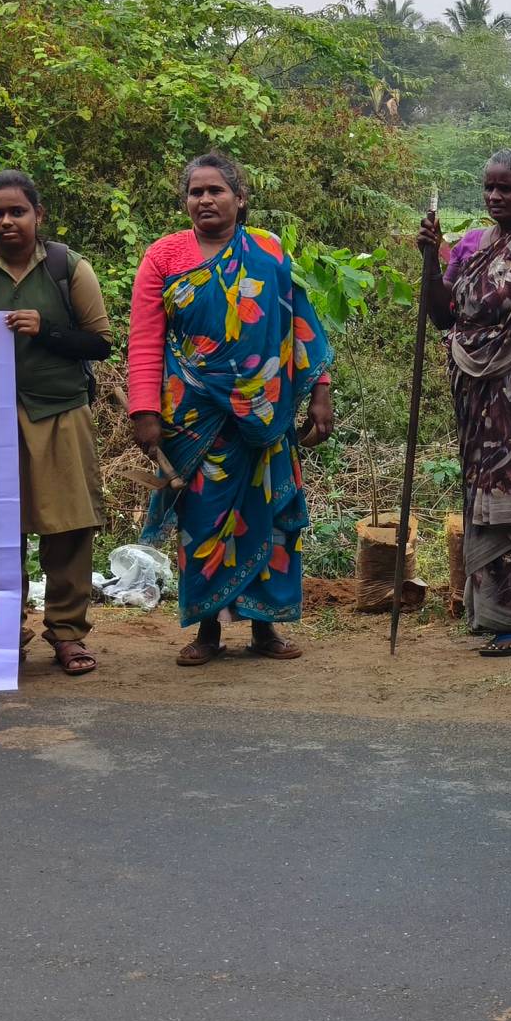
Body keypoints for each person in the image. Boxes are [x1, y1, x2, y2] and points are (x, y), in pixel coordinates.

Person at [129, 151, 334, 668]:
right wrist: (144, 410)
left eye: (215, 190)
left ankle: (267, 629)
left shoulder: (267, 249)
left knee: (269, 517)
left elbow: (298, 323)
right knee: (204, 520)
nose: (205, 200)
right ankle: (206, 629)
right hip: (194, 414)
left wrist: (321, 389)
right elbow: (147, 339)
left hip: (266, 413)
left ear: (240, 199)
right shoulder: (164, 257)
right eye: (195, 192)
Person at [0, 170, 112, 676]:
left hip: (60, 410)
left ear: (39, 215)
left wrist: (48, 331)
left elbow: (100, 342)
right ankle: (3, 633)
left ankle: (67, 634)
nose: (6, 222)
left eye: (17, 211)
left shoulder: (67, 267)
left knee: (70, 527)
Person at [417, 150, 511, 657]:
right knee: (482, 498)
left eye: (507, 189)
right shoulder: (474, 247)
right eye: (489, 189)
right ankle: (492, 614)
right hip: (474, 398)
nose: (495, 197)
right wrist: (432, 261)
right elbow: (442, 315)